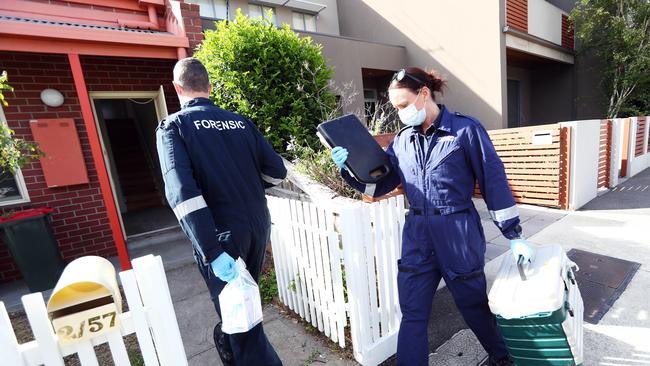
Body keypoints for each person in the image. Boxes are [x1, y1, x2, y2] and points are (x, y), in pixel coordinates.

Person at [330, 67, 534, 366]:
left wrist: (514, 235)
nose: (399, 113)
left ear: (423, 94)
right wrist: (349, 167)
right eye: (395, 107)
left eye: (402, 105)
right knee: (413, 313)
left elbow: (494, 181)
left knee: (473, 305)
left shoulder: (464, 131)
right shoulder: (402, 141)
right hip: (417, 234)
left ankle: (503, 357)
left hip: (458, 232)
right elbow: (380, 185)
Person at [156, 57, 286, 366]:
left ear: (177, 88)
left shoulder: (174, 127)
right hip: (256, 227)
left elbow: (183, 195)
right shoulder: (240, 122)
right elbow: (277, 172)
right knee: (243, 307)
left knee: (243, 324)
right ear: (209, 87)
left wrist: (211, 250)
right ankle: (230, 344)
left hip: (221, 237)